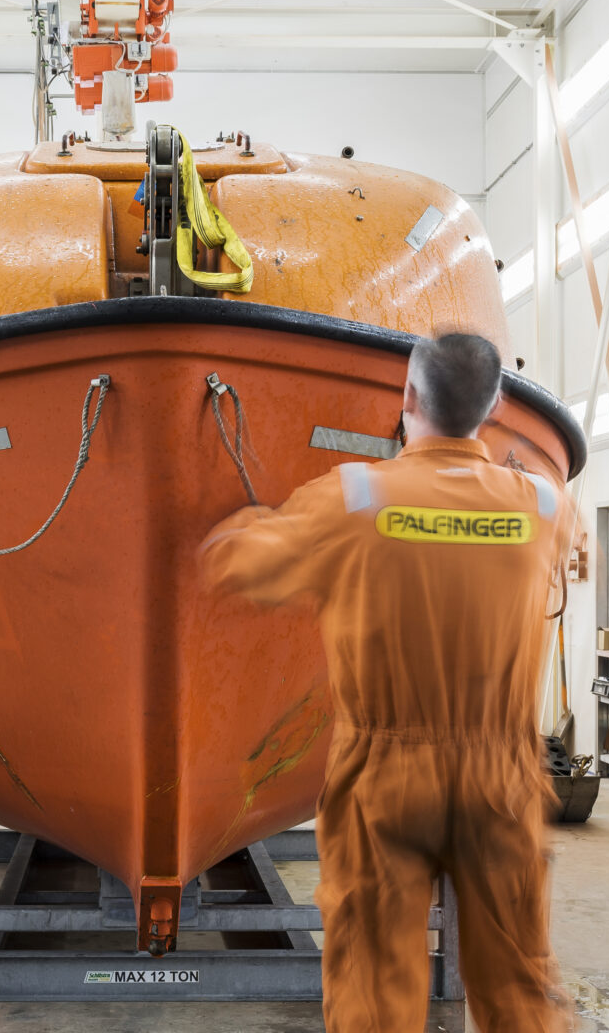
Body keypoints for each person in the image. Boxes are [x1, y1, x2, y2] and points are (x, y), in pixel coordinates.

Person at [201, 333, 571, 1032]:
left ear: (407, 400)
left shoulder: (356, 498)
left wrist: (235, 522)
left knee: (373, 988)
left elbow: (239, 566)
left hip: (384, 775)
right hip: (501, 777)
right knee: (519, 987)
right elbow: (570, 546)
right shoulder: (544, 509)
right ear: (493, 408)